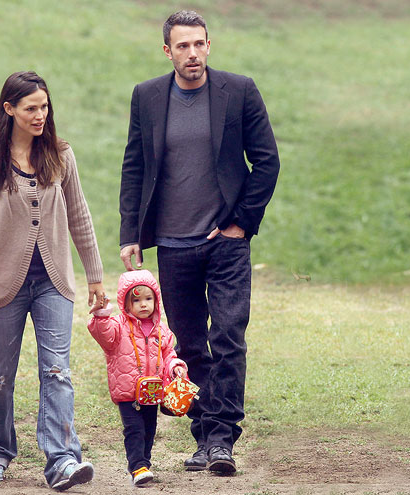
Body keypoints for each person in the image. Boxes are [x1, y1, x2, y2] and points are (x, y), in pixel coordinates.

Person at [119, 11, 280, 474]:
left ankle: (223, 438)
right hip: (172, 244)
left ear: (209, 46)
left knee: (227, 335)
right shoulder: (147, 97)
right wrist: (131, 232)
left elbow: (266, 162)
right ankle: (205, 435)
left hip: (225, 242)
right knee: (188, 346)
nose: (193, 54)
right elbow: (134, 166)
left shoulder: (239, 91)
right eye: (183, 46)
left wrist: (240, 223)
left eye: (200, 44)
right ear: (167, 51)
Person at [0, 71, 106, 491]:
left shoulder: (61, 155)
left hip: (53, 282)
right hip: (2, 285)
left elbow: (80, 217)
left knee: (57, 370)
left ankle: (62, 461)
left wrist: (95, 277)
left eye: (45, 106)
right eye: (31, 108)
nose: (41, 115)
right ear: (10, 109)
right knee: (0, 372)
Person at [87, 270, 187, 486]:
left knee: (150, 429)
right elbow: (103, 334)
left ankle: (144, 464)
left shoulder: (162, 329)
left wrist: (175, 366)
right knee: (134, 429)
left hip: (152, 391)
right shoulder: (118, 326)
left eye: (148, 299)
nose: (143, 305)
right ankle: (137, 466)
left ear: (156, 300)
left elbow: (169, 353)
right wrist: (102, 315)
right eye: (137, 300)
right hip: (127, 392)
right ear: (125, 302)